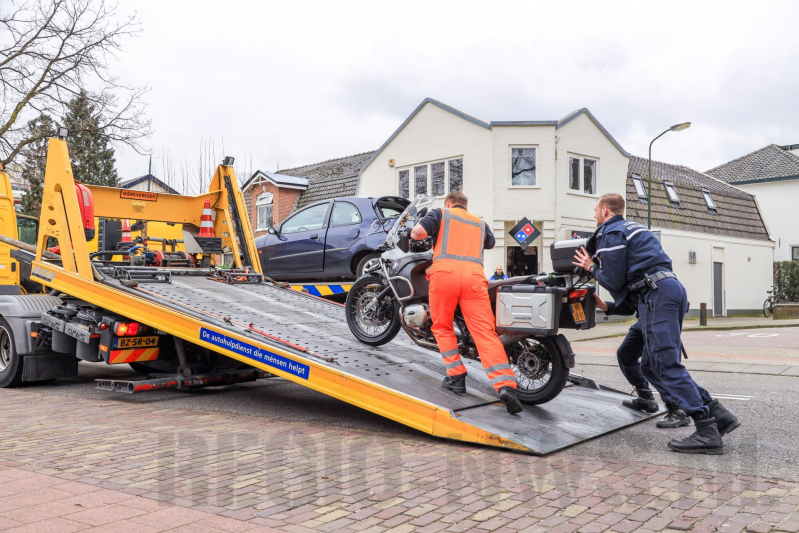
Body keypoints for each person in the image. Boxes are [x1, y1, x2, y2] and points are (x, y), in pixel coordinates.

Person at [573, 193, 740, 454]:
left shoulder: (611, 231)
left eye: (595, 210)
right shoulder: (635, 229)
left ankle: (706, 430)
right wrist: (606, 307)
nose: (594, 215)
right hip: (663, 291)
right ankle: (719, 414)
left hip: (657, 295)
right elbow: (631, 287)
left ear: (605, 210)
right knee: (651, 365)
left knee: (664, 363)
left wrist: (592, 267)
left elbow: (614, 280)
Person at [411, 191, 523, 414]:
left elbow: (417, 233)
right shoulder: (479, 223)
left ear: (448, 203)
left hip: (445, 276)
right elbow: (491, 243)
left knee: (442, 327)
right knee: (484, 332)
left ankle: (456, 377)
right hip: (474, 279)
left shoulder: (440, 214)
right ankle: (505, 385)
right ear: (465, 206)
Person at [593, 293, 690, 428]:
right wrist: (605, 306)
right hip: (644, 320)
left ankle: (678, 409)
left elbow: (680, 301)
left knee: (652, 364)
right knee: (626, 354)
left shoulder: (661, 282)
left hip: (659, 319)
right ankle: (646, 398)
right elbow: (629, 307)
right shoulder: (630, 282)